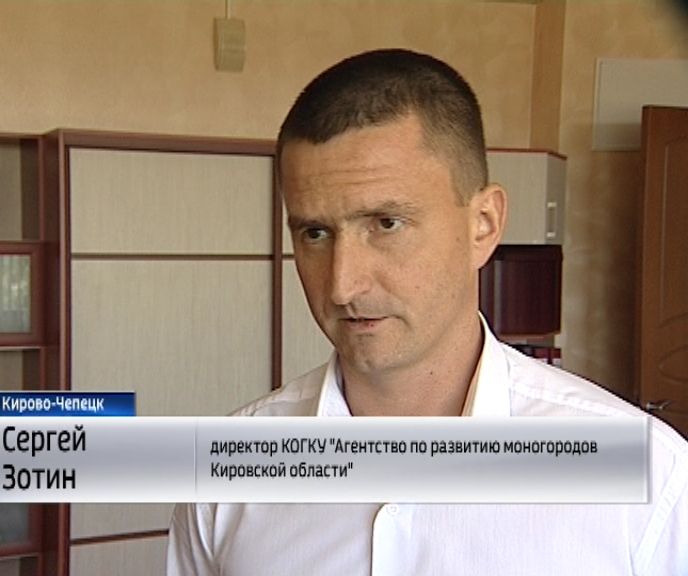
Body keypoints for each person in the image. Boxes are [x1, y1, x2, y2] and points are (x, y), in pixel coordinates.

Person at [167, 49, 688, 575]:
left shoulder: (649, 481)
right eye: (315, 233)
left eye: (386, 223)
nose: (343, 285)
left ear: (483, 224)